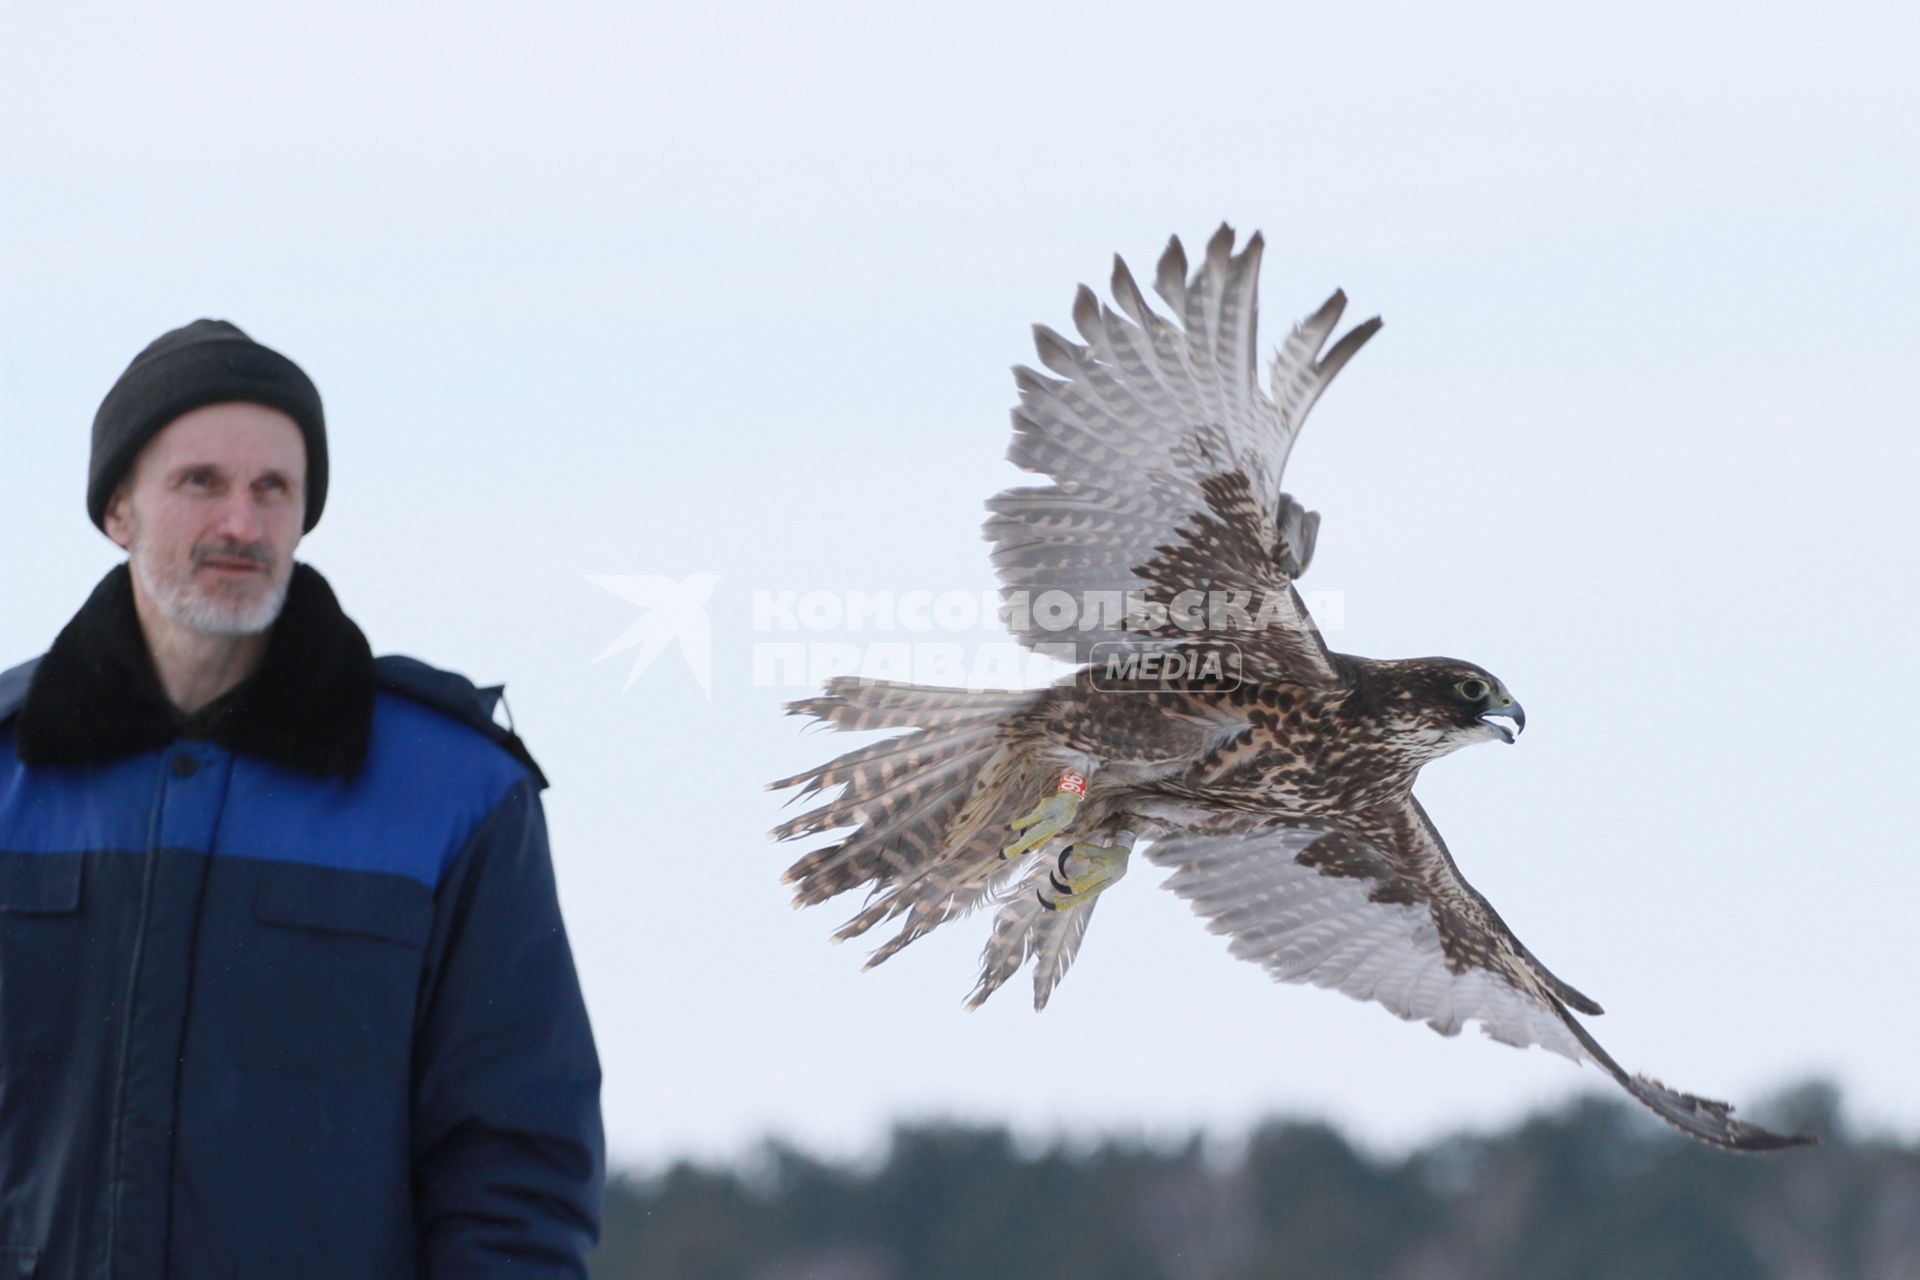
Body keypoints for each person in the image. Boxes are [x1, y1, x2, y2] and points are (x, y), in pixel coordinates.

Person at [0, 320, 603, 1276]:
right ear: (119, 509)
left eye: (273, 489)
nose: (242, 523)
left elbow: (516, 1165)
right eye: (201, 482)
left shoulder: (453, 794)